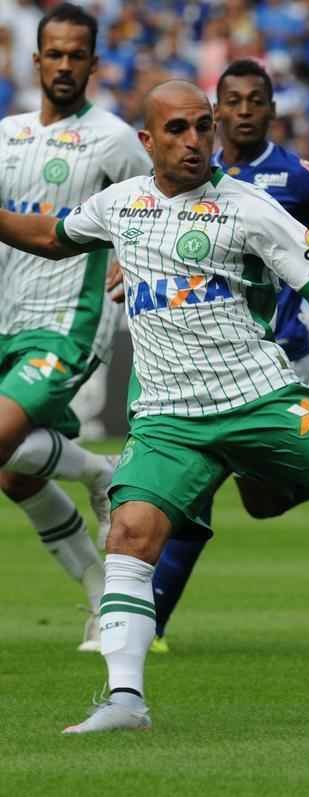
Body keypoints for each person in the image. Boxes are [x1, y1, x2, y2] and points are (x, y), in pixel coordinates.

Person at [0, 79, 309, 734]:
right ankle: (125, 699)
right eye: (178, 130)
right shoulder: (121, 204)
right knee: (131, 533)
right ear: (147, 141)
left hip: (257, 399)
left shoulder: (249, 208)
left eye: (202, 127)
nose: (194, 141)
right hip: (167, 416)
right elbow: (50, 235)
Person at [146, 58, 309, 653]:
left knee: (255, 499)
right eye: (233, 101)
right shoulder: (191, 171)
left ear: (273, 110)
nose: (245, 110)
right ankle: (147, 629)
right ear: (216, 110)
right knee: (214, 493)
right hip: (204, 359)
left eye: (257, 100)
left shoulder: (297, 174)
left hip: (278, 358)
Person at [0, 4, 150, 652]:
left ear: (93, 62)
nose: (64, 65)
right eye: (53, 54)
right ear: (36, 61)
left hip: (69, 323)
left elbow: (155, 209)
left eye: (75, 55)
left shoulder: (114, 139)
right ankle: (95, 486)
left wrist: (132, 256)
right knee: (13, 472)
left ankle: (93, 472)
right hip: (6, 318)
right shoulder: (5, 134)